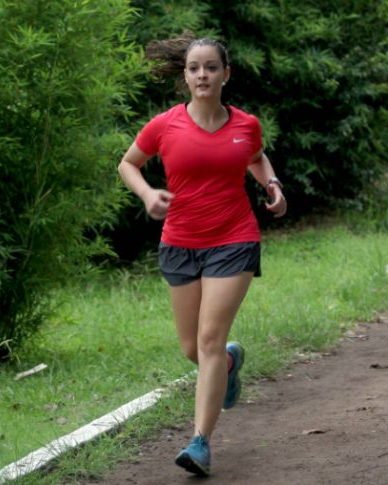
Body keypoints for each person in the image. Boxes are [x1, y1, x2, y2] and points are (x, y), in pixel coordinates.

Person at [118, 37, 286, 476]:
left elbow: (256, 157)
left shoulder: (246, 124)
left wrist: (272, 185)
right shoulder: (165, 125)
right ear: (185, 75)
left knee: (209, 339)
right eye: (194, 68)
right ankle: (228, 363)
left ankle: (199, 443)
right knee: (193, 348)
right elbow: (128, 164)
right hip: (180, 244)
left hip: (234, 240)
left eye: (211, 67)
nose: (202, 75)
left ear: (225, 74)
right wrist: (147, 193)